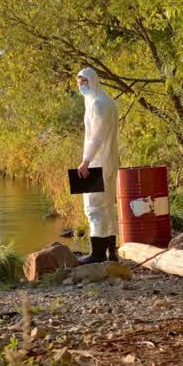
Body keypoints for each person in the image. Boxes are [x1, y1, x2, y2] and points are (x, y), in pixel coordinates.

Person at [75, 67, 120, 263]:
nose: (80, 86)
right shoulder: (107, 101)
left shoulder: (99, 104)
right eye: (78, 82)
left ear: (91, 81)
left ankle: (97, 254)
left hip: (97, 161)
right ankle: (112, 252)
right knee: (108, 205)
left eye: (83, 82)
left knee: (94, 206)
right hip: (109, 160)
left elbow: (96, 137)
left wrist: (86, 161)